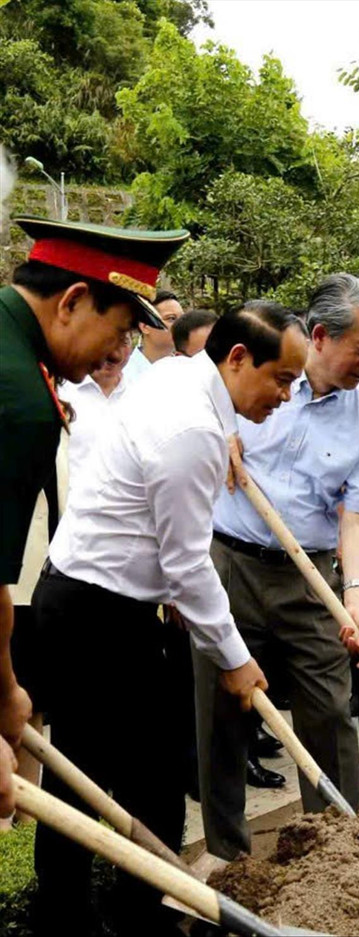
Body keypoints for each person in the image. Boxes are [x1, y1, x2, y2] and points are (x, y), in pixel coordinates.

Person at [33, 303, 306, 934]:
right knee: (119, 775)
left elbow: (171, 551)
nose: (285, 396)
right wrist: (237, 661)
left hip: (91, 597)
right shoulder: (193, 431)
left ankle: (111, 908)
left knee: (119, 771)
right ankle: (104, 915)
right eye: (281, 379)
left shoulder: (185, 379)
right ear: (237, 359)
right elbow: (187, 564)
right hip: (96, 611)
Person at [0, 214, 189, 823]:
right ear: (73, 300)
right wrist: (5, 696)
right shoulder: (21, 401)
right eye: (120, 329)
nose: (120, 351)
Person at [197, 275, 359, 861]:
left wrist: (357, 593)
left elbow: (358, 519)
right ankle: (229, 858)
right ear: (324, 337)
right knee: (221, 716)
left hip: (310, 578)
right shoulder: (255, 378)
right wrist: (220, 430)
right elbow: (201, 397)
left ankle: (337, 851)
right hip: (229, 564)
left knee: (331, 710)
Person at [58, 329, 134, 481]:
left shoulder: (139, 395)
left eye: (124, 342)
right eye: (106, 341)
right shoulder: (61, 394)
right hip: (71, 501)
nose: (114, 352)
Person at [122, 287, 183, 385]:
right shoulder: (124, 376)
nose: (181, 325)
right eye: (171, 319)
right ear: (145, 326)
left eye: (183, 318)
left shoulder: (187, 372)